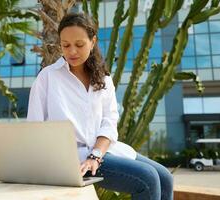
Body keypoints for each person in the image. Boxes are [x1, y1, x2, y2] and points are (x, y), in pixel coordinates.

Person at [27, 12, 173, 200]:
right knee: (147, 179)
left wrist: (95, 155)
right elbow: (34, 128)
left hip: (102, 152)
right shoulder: (47, 78)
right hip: (72, 158)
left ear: (93, 41)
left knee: (166, 178)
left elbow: (109, 121)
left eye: (79, 45)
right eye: (65, 45)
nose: (72, 51)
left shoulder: (103, 80)